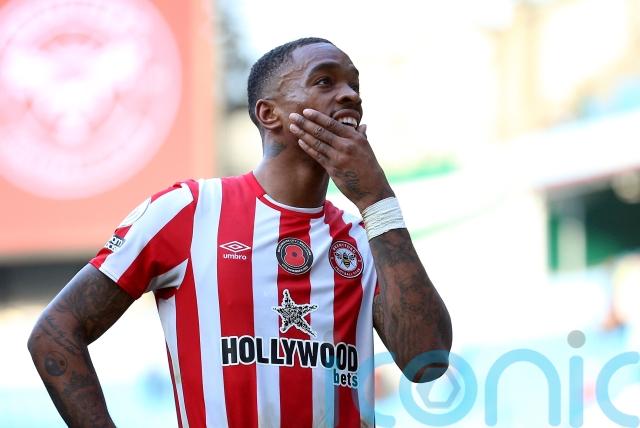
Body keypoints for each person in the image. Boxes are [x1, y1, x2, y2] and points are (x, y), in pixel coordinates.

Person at [27, 37, 452, 428]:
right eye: (325, 81)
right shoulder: (188, 211)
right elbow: (54, 335)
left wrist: (377, 200)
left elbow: (427, 362)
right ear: (269, 114)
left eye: (354, 85)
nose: (350, 95)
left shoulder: (366, 237)